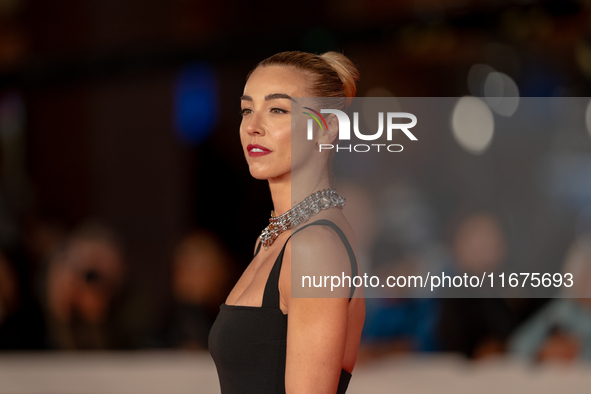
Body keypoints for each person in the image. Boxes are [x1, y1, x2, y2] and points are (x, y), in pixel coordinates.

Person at [208, 51, 366, 394]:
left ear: (328, 129)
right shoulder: (273, 239)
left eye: (278, 109)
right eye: (247, 109)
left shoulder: (315, 247)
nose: (252, 126)